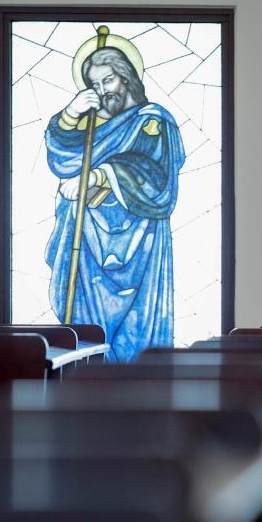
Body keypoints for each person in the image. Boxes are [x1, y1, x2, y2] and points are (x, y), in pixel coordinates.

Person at [44, 46, 185, 362]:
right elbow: (63, 158)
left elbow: (156, 177)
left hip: (141, 242)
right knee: (85, 322)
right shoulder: (94, 123)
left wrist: (97, 177)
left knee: (137, 330)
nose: (103, 91)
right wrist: (71, 113)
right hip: (88, 244)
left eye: (108, 80)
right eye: (95, 85)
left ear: (127, 78)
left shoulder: (153, 121)